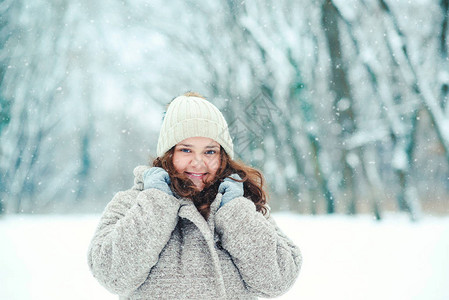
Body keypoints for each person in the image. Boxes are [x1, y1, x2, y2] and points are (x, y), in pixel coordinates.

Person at [87, 92, 302, 299]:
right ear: (168, 153)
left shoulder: (241, 204)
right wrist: (156, 204)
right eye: (186, 150)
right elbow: (113, 276)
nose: (198, 163)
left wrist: (235, 213)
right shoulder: (132, 202)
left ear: (223, 157)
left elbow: (277, 281)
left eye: (210, 152)